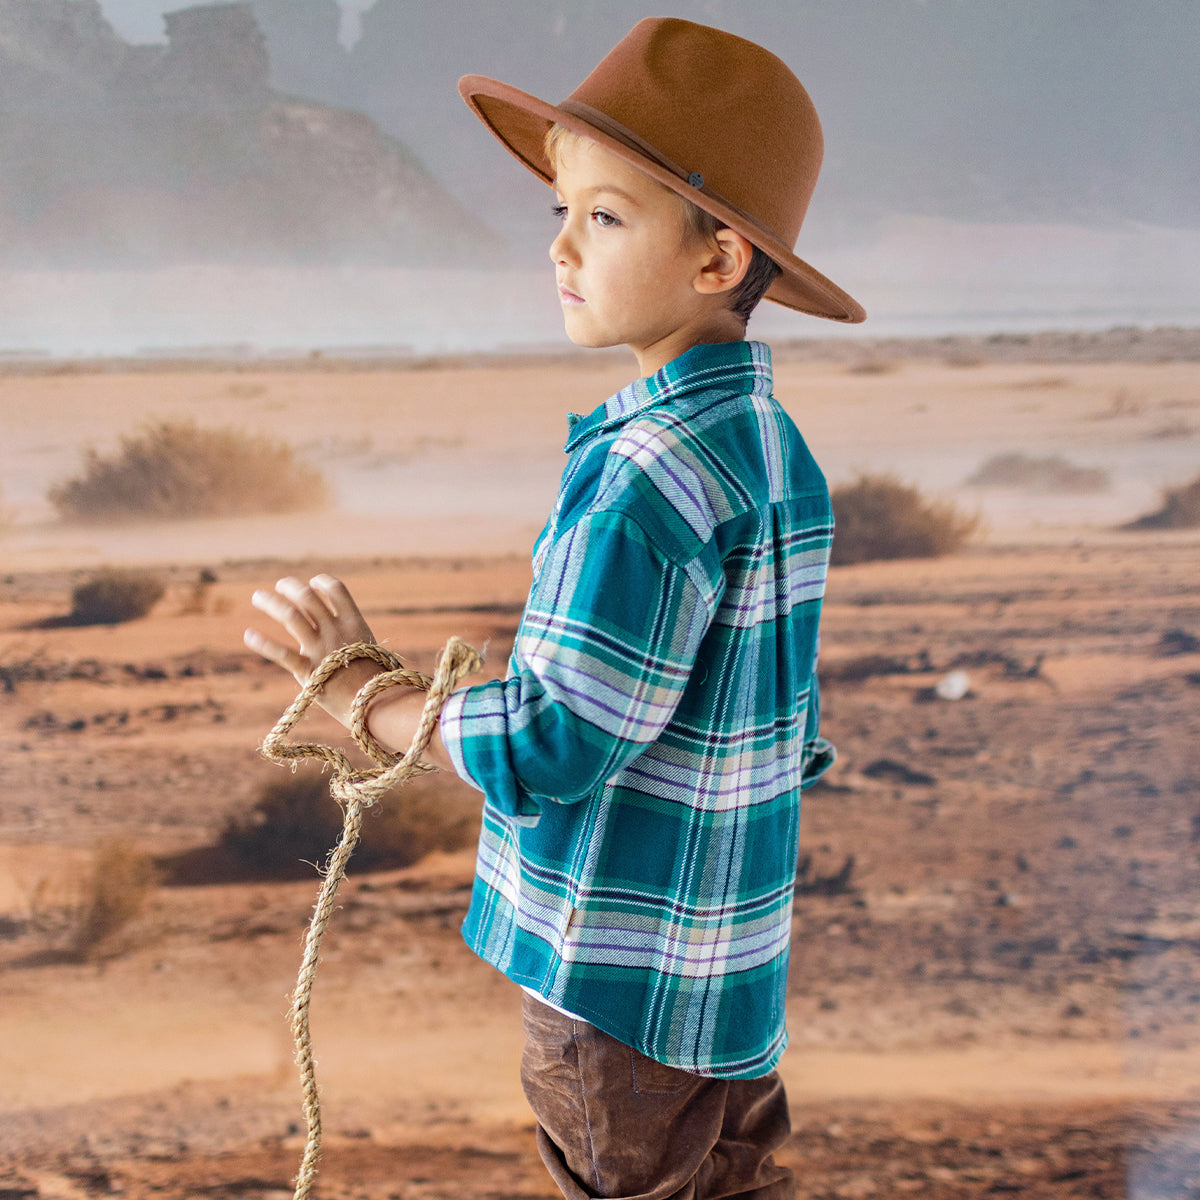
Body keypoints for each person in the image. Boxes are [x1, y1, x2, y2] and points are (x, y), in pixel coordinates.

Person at [245, 17, 863, 1200]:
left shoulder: (645, 477)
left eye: (605, 218)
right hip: (729, 974)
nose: (561, 246)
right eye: (560, 211)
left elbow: (549, 745)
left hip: (616, 989)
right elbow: (781, 726)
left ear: (719, 261)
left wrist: (364, 697)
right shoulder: (773, 447)